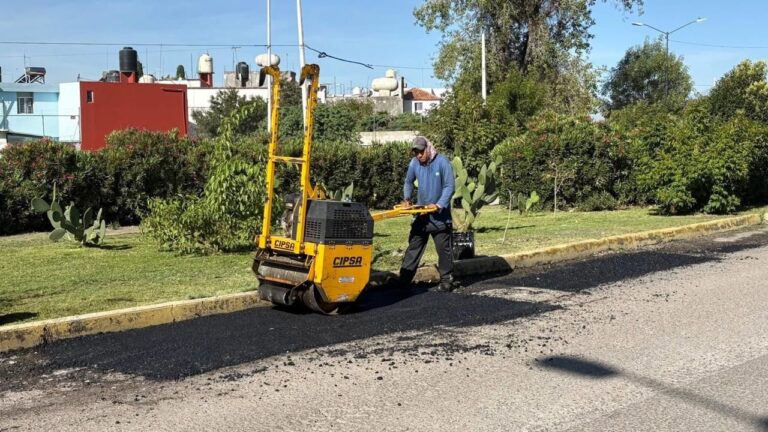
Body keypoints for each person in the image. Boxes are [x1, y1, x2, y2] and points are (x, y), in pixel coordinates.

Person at [399, 136, 459, 292]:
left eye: (421, 151)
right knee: (413, 247)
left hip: (439, 217)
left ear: (428, 148)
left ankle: (447, 281)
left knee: (443, 250)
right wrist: (407, 198)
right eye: (416, 152)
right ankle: (404, 281)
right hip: (422, 215)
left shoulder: (442, 162)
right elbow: (408, 181)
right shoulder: (414, 163)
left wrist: (439, 204)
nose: (418, 155)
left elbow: (449, 186)